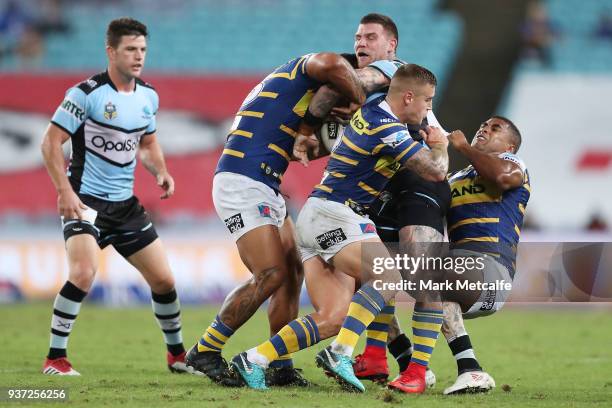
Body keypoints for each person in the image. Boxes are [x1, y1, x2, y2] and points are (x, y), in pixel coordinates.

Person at [229, 64, 451, 392]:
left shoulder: (374, 107)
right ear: (408, 97)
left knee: (334, 317)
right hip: (336, 214)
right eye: (428, 101)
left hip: (318, 216)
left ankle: (255, 358)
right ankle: (341, 353)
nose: (429, 110)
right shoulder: (388, 128)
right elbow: (434, 173)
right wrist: (441, 146)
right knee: (387, 275)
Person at [184, 52, 367, 386]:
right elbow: (333, 65)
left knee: (292, 271)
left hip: (263, 183)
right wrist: (360, 100)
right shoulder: (308, 67)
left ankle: (279, 366)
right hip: (242, 181)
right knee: (270, 273)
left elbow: (304, 150)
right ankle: (206, 349)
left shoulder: (295, 95)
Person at [40, 18, 191, 375]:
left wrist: (161, 171)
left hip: (125, 206)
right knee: (83, 274)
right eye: (130, 50)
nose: (138, 57)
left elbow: (148, 143)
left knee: (165, 281)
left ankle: (177, 356)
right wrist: (63, 191)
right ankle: (55, 358)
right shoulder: (86, 94)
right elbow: (50, 141)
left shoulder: (147, 96)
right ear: (111, 51)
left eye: (142, 50)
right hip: (85, 201)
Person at [358, 116, 530, 395]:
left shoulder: (514, 166)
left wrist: (463, 147)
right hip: (458, 273)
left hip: (490, 272)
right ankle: (436, 365)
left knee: (425, 273)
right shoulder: (454, 179)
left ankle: (427, 369)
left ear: (510, 145)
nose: (484, 128)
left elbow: (502, 177)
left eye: (495, 128)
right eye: (482, 125)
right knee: (378, 275)